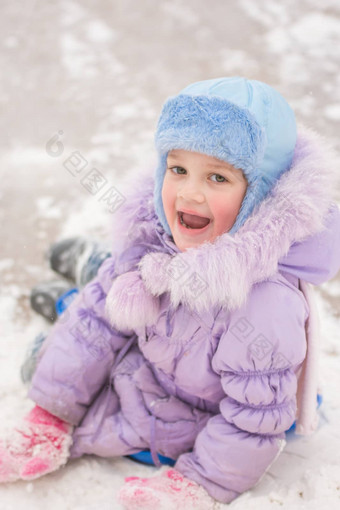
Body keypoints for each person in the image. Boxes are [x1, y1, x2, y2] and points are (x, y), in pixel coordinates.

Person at [1, 77, 340, 509]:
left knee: (36, 358)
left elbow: (255, 420)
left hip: (188, 399)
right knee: (99, 300)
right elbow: (93, 322)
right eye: (178, 169)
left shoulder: (264, 308)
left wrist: (200, 483)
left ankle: (81, 279)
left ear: (260, 194)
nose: (190, 192)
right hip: (160, 346)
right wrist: (49, 413)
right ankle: (93, 265)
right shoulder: (156, 233)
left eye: (217, 177)